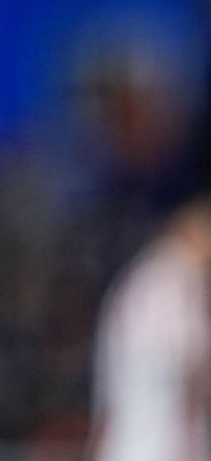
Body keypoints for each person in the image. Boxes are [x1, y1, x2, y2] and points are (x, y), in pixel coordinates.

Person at [90, 194, 211, 460]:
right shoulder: (172, 280)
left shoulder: (144, 276)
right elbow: (192, 362)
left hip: (133, 438)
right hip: (159, 442)